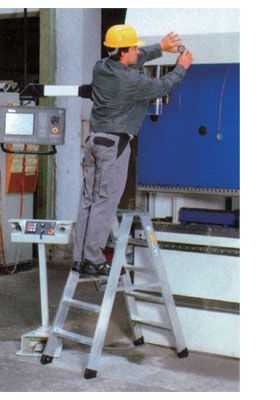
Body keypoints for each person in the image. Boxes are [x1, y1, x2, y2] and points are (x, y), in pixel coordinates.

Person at [72, 24, 193, 275]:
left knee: (89, 201)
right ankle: (93, 259)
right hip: (113, 146)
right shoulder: (130, 81)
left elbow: (135, 60)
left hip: (94, 142)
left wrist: (161, 47)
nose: (138, 51)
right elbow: (161, 87)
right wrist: (181, 67)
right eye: (134, 48)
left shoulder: (101, 67)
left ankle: (80, 257)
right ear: (124, 52)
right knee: (105, 202)